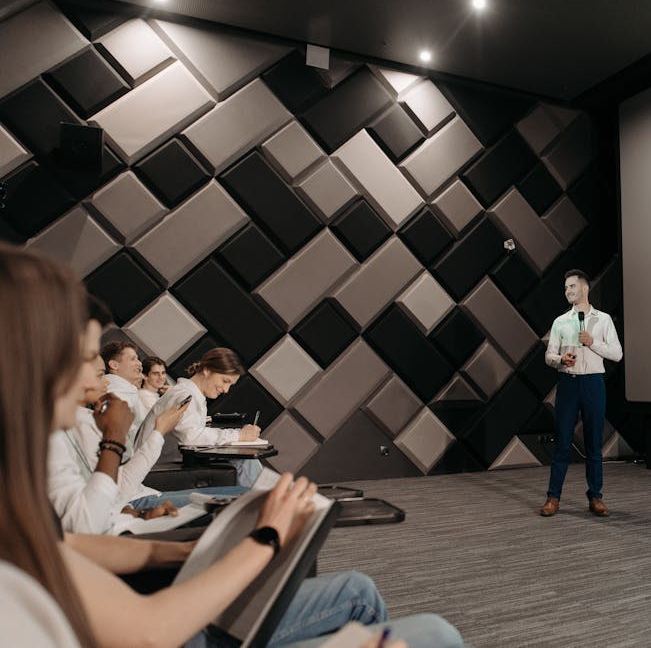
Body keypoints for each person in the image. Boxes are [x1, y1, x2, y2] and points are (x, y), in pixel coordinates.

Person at [0, 243, 462, 647]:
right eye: (86, 360)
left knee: (254, 498)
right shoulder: (162, 399)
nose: (94, 377)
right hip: (155, 591)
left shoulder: (19, 500)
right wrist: (265, 538)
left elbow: (67, 546)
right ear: (30, 364)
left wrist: (187, 552)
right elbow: (147, 629)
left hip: (133, 530)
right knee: (427, 629)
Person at [48, 314, 248, 533]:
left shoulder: (83, 420)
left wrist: (136, 514)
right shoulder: (94, 413)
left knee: (247, 489)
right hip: (140, 493)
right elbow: (97, 512)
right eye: (100, 374)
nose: (105, 382)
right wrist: (150, 433)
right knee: (247, 494)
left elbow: (109, 500)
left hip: (137, 499)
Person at [540, 269, 622, 517]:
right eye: (566, 288)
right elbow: (548, 356)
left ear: (585, 288)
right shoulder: (560, 322)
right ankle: (553, 497)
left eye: (572, 287)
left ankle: (595, 496)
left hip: (593, 384)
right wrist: (560, 360)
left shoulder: (604, 320)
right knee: (563, 443)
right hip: (568, 384)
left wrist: (592, 343)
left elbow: (617, 354)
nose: (568, 292)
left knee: (594, 443)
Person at [138, 347, 263, 487]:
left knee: (243, 461)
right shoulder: (184, 395)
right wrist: (238, 435)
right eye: (225, 381)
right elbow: (191, 438)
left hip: (167, 464)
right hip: (154, 470)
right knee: (245, 462)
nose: (226, 390)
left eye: (230, 385)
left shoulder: (191, 395)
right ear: (207, 370)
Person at [100, 340, 147, 451]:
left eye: (138, 359)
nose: (139, 363)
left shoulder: (126, 390)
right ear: (114, 365)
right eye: (133, 359)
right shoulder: (117, 394)